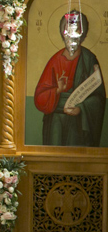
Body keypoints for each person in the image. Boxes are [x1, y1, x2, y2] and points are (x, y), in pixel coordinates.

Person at [34, 11, 105, 147]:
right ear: (62, 32)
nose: (72, 34)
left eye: (76, 29)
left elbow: (98, 98)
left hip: (78, 122)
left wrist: (81, 109)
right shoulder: (55, 60)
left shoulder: (89, 59)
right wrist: (56, 90)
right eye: (68, 29)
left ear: (82, 33)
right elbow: (39, 97)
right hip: (56, 121)